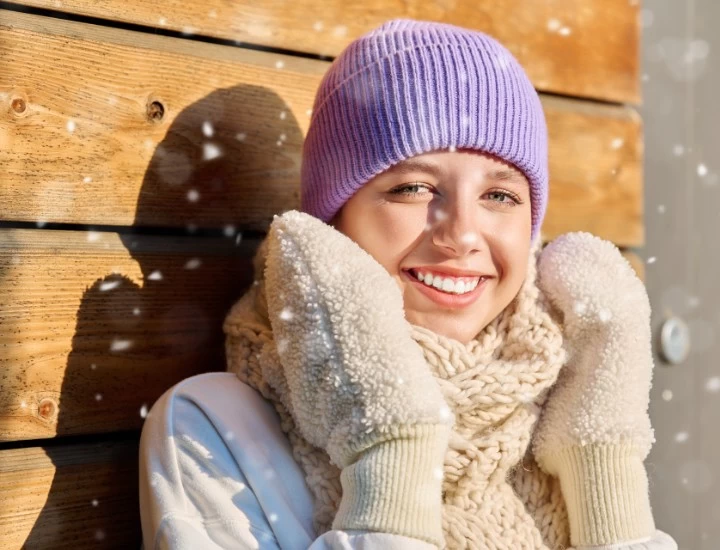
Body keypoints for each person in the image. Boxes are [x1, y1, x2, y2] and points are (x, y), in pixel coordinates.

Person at [139, 18, 679, 550]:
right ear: (332, 227)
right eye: (414, 188)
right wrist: (391, 443)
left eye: (500, 196)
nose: (462, 234)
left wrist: (603, 464)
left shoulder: (559, 413)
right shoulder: (215, 425)